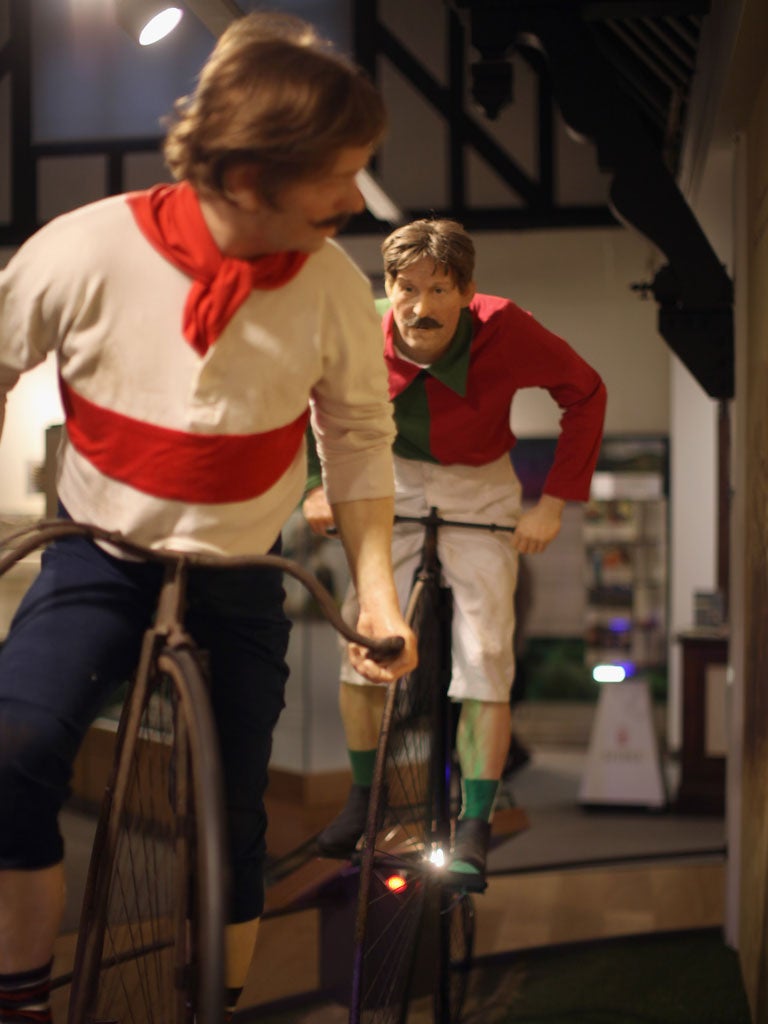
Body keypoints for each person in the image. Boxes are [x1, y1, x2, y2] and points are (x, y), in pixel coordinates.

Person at [0, 13, 417, 1023]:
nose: (356, 200)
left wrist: (374, 591)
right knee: (9, 756)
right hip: (100, 554)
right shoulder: (82, 251)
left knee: (235, 818)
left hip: (239, 567)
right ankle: (20, 999)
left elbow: (358, 438)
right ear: (245, 179)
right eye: (335, 176)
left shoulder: (328, 286)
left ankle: (211, 1005)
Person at [303, 218, 606, 890]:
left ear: (466, 291)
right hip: (389, 478)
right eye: (405, 287)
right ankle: (361, 797)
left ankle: (475, 821)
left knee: (486, 656)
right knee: (363, 635)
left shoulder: (508, 327)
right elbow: (310, 391)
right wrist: (315, 486)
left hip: (481, 488)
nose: (419, 306)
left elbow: (585, 392)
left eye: (439, 289)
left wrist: (553, 503)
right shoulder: (360, 326)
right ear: (387, 286)